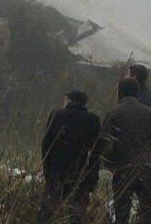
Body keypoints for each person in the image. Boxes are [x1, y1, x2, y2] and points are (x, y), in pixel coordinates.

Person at [101, 78, 151, 224]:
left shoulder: (113, 113)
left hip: (122, 170)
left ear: (120, 92)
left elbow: (104, 143)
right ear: (137, 92)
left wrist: (110, 164)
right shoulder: (150, 113)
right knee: (149, 212)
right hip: (145, 169)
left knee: (122, 214)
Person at [40, 90, 101, 223]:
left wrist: (47, 169)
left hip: (56, 170)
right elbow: (96, 151)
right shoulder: (93, 120)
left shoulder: (56, 115)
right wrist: (92, 175)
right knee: (77, 213)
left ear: (69, 100)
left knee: (48, 211)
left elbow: (46, 145)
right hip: (80, 172)